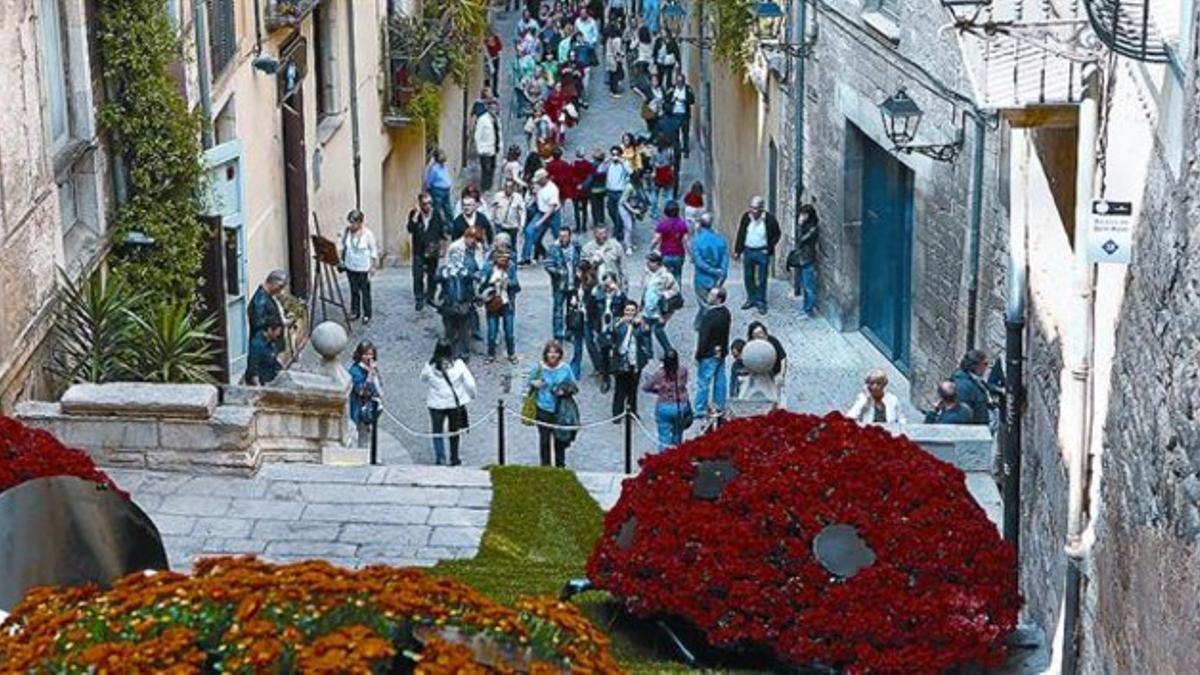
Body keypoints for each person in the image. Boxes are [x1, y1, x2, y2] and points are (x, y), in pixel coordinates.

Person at [420, 339, 477, 465]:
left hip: (436, 404)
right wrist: (472, 396)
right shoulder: (458, 365)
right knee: (454, 431)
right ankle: (454, 457)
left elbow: (423, 378)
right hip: (454, 404)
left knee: (437, 431)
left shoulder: (430, 366)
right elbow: (470, 384)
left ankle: (440, 457)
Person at [527, 340, 579, 467]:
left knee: (560, 440)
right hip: (543, 408)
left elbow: (573, 386)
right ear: (546, 354)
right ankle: (545, 466)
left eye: (555, 352)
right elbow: (529, 382)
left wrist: (563, 391)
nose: (553, 355)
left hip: (560, 410)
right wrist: (535, 384)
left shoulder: (565, 368)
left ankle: (560, 465)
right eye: (550, 352)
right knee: (544, 440)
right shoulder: (538, 368)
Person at [437, 229, 482, 361]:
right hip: (449, 303)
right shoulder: (445, 270)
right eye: (453, 256)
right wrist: (442, 274)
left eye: (457, 256)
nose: (455, 258)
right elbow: (437, 279)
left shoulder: (465, 271)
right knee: (449, 330)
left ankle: (464, 352)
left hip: (463, 303)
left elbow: (473, 281)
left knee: (464, 330)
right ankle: (450, 352)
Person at [733, 195, 782, 315]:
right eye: (752, 208)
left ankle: (761, 301)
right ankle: (751, 298)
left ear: (761, 208)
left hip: (762, 252)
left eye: (756, 208)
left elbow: (777, 234)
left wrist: (769, 248)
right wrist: (737, 250)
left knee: (762, 278)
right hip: (748, 250)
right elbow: (741, 233)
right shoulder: (746, 217)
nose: (753, 211)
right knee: (748, 276)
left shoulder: (769, 219)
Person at [694, 286, 730, 419]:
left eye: (712, 295)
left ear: (718, 299)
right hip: (721, 351)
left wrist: (698, 355)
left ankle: (699, 409)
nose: (708, 296)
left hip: (709, 353)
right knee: (720, 380)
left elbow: (704, 337)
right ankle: (719, 404)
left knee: (703, 382)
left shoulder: (709, 315)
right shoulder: (726, 313)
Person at [643, 349, 690, 450]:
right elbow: (684, 383)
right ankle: (677, 456)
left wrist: (658, 390)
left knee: (664, 437)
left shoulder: (659, 373)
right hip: (679, 406)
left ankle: (664, 459)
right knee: (677, 434)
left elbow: (646, 387)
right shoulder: (683, 370)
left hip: (664, 406)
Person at [480, 248, 521, 363]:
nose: (504, 261)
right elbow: (482, 282)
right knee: (492, 333)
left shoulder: (511, 267)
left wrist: (507, 282)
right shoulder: (488, 267)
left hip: (507, 303)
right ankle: (490, 354)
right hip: (492, 303)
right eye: (501, 258)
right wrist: (490, 283)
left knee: (509, 332)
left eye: (506, 259)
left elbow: (516, 284)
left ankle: (511, 353)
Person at [589, 271, 627, 393]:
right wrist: (594, 328)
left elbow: (626, 309)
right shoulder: (597, 295)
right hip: (602, 327)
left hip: (615, 326)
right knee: (604, 352)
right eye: (606, 282)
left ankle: (618, 374)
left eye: (611, 282)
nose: (609, 286)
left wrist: (619, 293)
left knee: (617, 351)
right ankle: (605, 378)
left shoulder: (619, 296)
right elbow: (592, 312)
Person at [408, 192, 447, 311]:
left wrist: (443, 248)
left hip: (432, 249)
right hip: (418, 250)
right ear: (420, 204)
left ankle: (430, 296)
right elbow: (410, 229)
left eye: (430, 203)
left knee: (432, 275)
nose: (428, 206)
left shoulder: (437, 213)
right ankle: (419, 298)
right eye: (425, 204)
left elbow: (442, 232)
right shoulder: (415, 214)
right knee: (417, 275)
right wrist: (414, 218)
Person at [612, 299, 650, 419]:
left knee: (633, 388)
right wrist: (627, 326)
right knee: (620, 388)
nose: (630, 312)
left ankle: (632, 411)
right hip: (622, 360)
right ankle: (617, 413)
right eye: (627, 310)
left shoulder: (639, 324)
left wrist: (640, 324)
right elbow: (614, 334)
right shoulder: (618, 323)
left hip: (635, 359)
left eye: (632, 310)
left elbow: (645, 335)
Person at [545, 225, 583, 344]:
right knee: (558, 310)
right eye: (560, 236)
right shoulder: (553, 249)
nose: (562, 239)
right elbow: (548, 265)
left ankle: (570, 332)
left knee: (572, 309)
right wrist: (558, 272)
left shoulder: (576, 247)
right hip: (560, 284)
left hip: (574, 283)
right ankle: (558, 335)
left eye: (565, 236)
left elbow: (581, 261)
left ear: (570, 236)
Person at [690, 212, 729, 329]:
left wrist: (713, 271)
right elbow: (725, 260)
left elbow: (699, 262)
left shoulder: (697, 241)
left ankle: (706, 326)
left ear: (700, 224)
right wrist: (722, 273)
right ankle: (699, 324)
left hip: (702, 278)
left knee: (704, 304)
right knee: (711, 302)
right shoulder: (721, 240)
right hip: (717, 279)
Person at [341, 209, 378, 325]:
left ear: (360, 222)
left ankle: (367, 313)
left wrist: (372, 267)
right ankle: (355, 311)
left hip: (363, 267)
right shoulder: (347, 232)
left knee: (365, 292)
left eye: (353, 222)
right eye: (350, 222)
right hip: (350, 266)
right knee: (354, 290)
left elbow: (373, 250)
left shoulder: (368, 234)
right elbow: (341, 245)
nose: (351, 225)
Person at [639, 251, 679, 356]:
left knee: (658, 330)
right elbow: (645, 289)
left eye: (651, 262)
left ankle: (668, 349)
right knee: (645, 329)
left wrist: (664, 295)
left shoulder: (666, 276)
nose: (648, 264)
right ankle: (648, 351)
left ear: (657, 263)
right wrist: (641, 303)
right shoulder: (647, 273)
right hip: (648, 306)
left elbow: (675, 290)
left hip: (660, 308)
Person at [521, 169, 562, 265]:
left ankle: (560, 255)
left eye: (539, 180)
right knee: (529, 231)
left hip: (552, 214)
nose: (537, 182)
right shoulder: (538, 185)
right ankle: (526, 257)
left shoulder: (552, 189)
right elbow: (536, 196)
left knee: (558, 236)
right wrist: (531, 202)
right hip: (540, 211)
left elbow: (552, 208)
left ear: (544, 179)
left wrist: (540, 222)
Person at [347, 341, 381, 448]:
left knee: (369, 434)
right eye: (366, 354)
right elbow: (361, 390)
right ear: (360, 355)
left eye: (371, 354)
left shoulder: (371, 368)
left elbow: (378, 385)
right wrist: (370, 373)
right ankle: (365, 457)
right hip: (360, 408)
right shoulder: (355, 370)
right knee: (362, 437)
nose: (369, 357)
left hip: (372, 407)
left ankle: (370, 456)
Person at [788, 202, 819, 317]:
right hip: (802, 260)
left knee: (808, 287)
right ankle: (805, 308)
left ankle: (809, 310)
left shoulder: (813, 228)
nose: (802, 216)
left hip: (807, 259)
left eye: (804, 214)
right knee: (804, 285)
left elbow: (801, 240)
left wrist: (800, 226)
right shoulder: (806, 226)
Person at [249, 270, 288, 352]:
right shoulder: (260, 300)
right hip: (264, 346)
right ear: (274, 283)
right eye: (280, 287)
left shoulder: (267, 297)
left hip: (268, 344)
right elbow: (259, 322)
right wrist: (272, 333)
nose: (280, 291)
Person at [952, 349, 993, 425]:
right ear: (976, 365)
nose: (986, 368)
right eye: (985, 364)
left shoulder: (975, 381)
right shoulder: (963, 385)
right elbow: (963, 413)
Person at [651, 199, 688, 283]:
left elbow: (656, 240)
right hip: (678, 253)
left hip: (665, 254)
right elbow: (685, 241)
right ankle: (676, 293)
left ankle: (666, 293)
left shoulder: (662, 224)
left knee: (665, 275)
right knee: (677, 275)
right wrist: (691, 254)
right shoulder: (682, 224)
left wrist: (650, 249)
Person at [603, 145, 633, 244]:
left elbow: (631, 172)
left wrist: (622, 162)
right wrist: (606, 162)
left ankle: (618, 232)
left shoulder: (624, 163)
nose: (614, 156)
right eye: (613, 154)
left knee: (619, 213)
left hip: (620, 192)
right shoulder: (609, 164)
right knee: (611, 210)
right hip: (610, 191)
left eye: (616, 154)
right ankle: (617, 226)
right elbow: (599, 170)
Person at [747, 320, 788, 392]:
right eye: (756, 335)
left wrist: (781, 375)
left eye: (761, 332)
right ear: (752, 337)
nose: (760, 335)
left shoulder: (772, 340)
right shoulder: (751, 347)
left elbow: (783, 358)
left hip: (775, 376)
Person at [581, 222, 626, 288]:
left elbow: (623, 266)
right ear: (594, 234)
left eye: (604, 233)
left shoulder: (615, 246)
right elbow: (583, 268)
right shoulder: (587, 248)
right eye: (599, 234)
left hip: (613, 284)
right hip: (594, 286)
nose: (602, 236)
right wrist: (593, 262)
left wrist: (624, 284)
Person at [544, 148, 578, 231]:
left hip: (553, 188)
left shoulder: (549, 165)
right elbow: (570, 176)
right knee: (562, 205)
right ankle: (560, 220)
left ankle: (554, 220)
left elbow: (547, 177)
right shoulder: (565, 164)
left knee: (553, 205)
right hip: (563, 188)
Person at [245, 319, 284, 386]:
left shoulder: (271, 342)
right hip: (262, 383)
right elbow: (253, 370)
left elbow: (274, 359)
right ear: (270, 330)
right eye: (277, 332)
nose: (278, 334)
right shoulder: (257, 345)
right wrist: (260, 389)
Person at [474, 101, 502, 191]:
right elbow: (477, 135)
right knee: (486, 169)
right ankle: (485, 187)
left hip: (493, 148)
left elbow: (498, 132)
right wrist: (480, 149)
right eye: (493, 109)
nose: (495, 111)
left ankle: (489, 185)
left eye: (496, 109)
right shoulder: (482, 120)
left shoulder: (496, 119)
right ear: (488, 109)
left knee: (492, 167)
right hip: (485, 149)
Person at [491, 178, 526, 247]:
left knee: (512, 245)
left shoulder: (518, 198)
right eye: (506, 187)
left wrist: (521, 225)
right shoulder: (498, 196)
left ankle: (513, 257)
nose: (508, 189)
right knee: (499, 244)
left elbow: (522, 212)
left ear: (513, 188)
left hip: (512, 225)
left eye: (510, 187)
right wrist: (492, 220)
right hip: (500, 224)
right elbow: (493, 208)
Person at [667, 73, 696, 156]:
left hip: (684, 115)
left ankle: (686, 149)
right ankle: (677, 148)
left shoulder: (688, 89)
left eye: (681, 81)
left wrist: (684, 100)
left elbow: (692, 101)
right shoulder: (672, 89)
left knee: (685, 133)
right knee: (675, 133)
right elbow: (666, 99)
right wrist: (672, 100)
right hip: (674, 114)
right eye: (678, 81)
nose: (679, 83)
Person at [424, 148, 454, 227]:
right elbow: (430, 180)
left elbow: (431, 180)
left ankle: (446, 227)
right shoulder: (438, 168)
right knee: (442, 209)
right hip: (441, 190)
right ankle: (445, 227)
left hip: (442, 190)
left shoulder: (439, 167)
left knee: (443, 209)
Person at [649, 135, 675, 219]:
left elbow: (651, 163)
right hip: (667, 172)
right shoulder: (670, 150)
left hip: (657, 172)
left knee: (655, 194)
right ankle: (670, 211)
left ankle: (653, 211)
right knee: (669, 194)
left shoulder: (654, 151)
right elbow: (672, 162)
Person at [604, 22, 625, 95]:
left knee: (612, 75)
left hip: (609, 58)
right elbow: (617, 51)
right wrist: (621, 56)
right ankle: (614, 91)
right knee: (616, 75)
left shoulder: (609, 38)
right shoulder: (617, 39)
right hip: (614, 59)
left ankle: (612, 90)